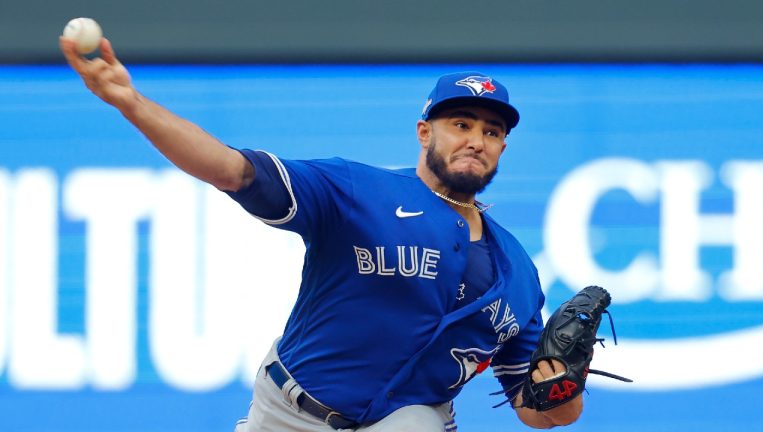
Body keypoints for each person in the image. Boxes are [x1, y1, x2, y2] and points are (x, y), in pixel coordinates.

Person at [60, 36, 584, 431]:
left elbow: (539, 410)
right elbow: (230, 169)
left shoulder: (516, 270)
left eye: (492, 132)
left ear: (503, 149)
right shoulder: (358, 190)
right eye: (461, 124)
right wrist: (131, 102)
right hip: (289, 413)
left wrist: (562, 387)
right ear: (425, 132)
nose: (477, 140)